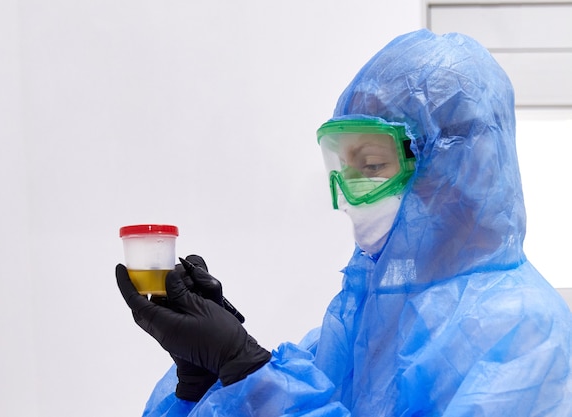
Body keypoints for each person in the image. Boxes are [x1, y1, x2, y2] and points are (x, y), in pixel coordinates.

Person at [116, 29, 572, 416]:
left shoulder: (523, 330)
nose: (349, 196)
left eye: (371, 165)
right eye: (344, 167)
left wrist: (249, 370)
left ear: (457, 170)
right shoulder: (371, 311)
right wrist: (206, 382)